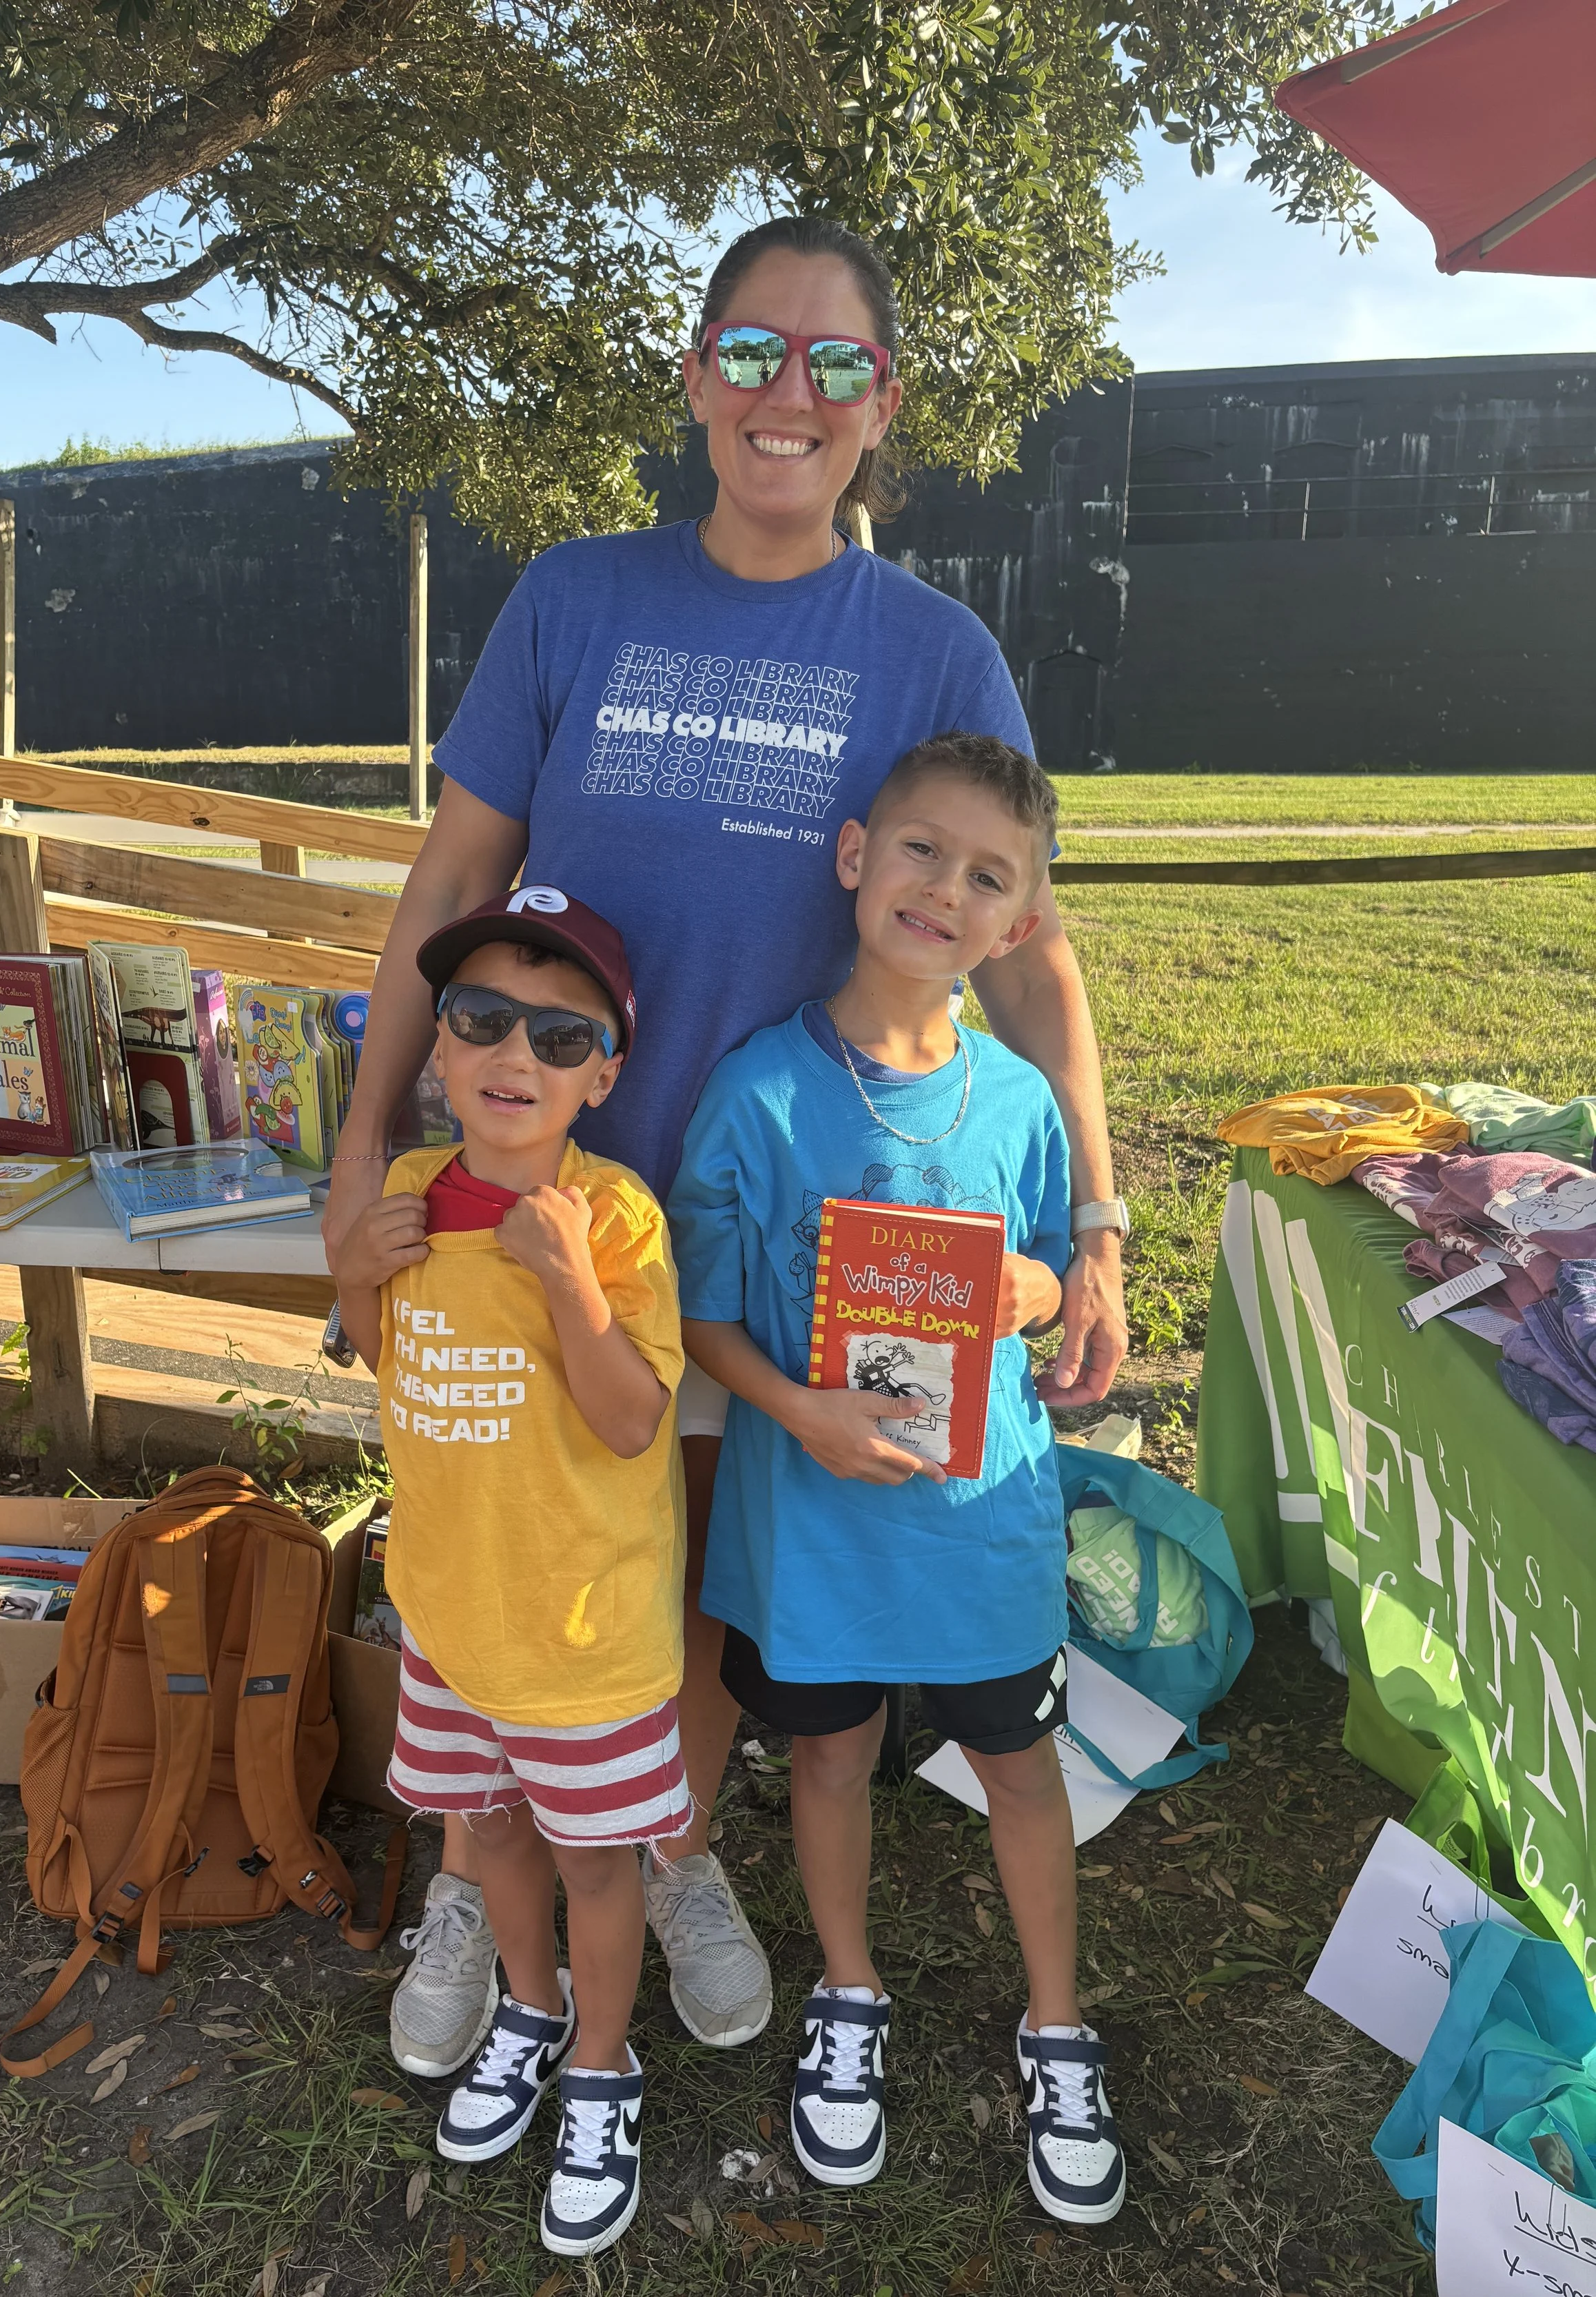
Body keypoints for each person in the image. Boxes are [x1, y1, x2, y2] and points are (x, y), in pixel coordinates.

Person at [324, 211, 1130, 2084]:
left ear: (883, 410)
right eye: (754, 352)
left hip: (772, 1230)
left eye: (836, 365)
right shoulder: (573, 596)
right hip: (533, 1193)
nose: (790, 394)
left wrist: (1093, 1218)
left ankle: (659, 1840)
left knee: (678, 1560)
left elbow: (1032, 948)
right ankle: (479, 1864)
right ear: (694, 379)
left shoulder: (931, 647)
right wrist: (370, 1148)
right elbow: (451, 876)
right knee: (500, 1521)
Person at [666, 732, 1127, 2225]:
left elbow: (1054, 1264)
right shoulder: (757, 1094)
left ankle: (1055, 2022)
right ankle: (847, 1992)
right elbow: (702, 1313)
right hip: (813, 1529)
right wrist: (793, 1405)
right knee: (825, 1757)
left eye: (987, 876)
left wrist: (1030, 1300)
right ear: (854, 854)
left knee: (1015, 1764)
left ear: (1019, 923)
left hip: (978, 1525)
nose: (945, 889)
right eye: (921, 850)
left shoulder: (1016, 1104)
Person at [333, 889, 684, 2259]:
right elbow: (385, 1358)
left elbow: (630, 1419)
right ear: (437, 1050)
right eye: (480, 1018)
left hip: (581, 1637)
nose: (512, 1055)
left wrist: (571, 1287)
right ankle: (527, 2013)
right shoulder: (412, 1195)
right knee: (491, 1842)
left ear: (602, 1072)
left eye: (557, 1033)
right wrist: (355, 1272)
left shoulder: (614, 1216)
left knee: (595, 1859)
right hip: (450, 1618)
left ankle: (601, 2066)